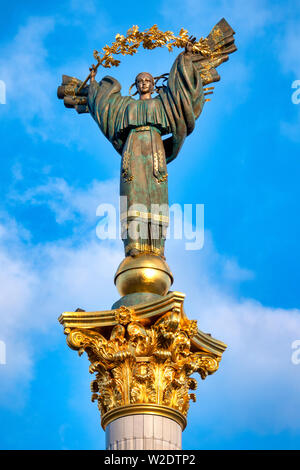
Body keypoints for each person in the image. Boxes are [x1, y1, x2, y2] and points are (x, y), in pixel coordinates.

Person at [87, 40, 205, 258]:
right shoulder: (126, 106)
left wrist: (185, 58)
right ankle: (133, 244)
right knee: (132, 194)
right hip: (132, 150)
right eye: (139, 81)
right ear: (135, 85)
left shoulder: (162, 104)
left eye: (147, 81)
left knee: (156, 196)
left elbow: (181, 93)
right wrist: (93, 83)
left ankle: (157, 247)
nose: (143, 84)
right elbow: (103, 106)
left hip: (155, 149)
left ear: (152, 84)